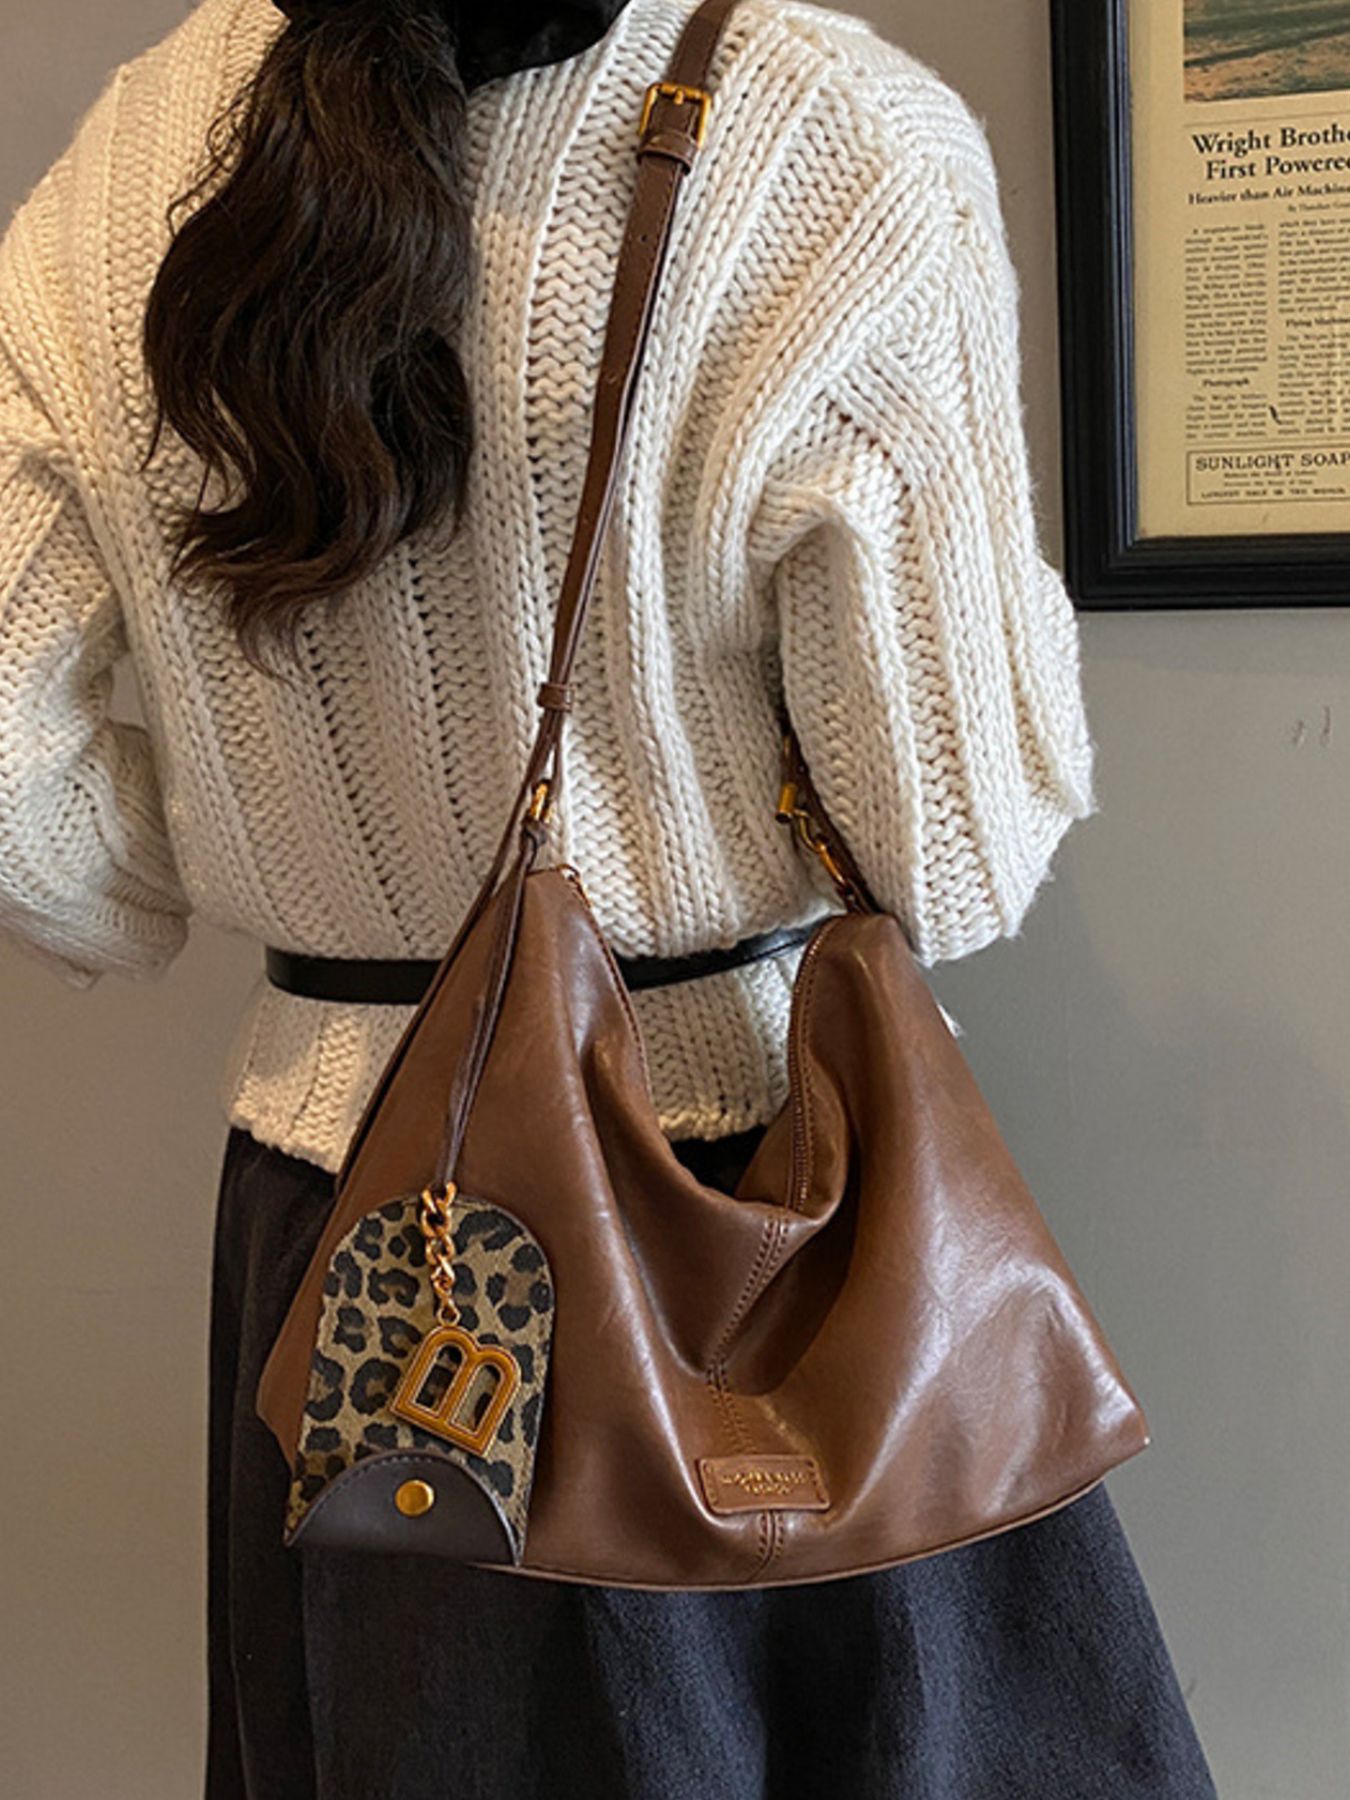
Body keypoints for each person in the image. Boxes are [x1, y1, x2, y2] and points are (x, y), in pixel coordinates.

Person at [0, 0, 1218, 1794]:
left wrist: (268, 889)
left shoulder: (128, 165)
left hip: (360, 1231)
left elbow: (18, 789)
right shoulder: (826, 137)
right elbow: (952, 851)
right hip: (756, 1205)